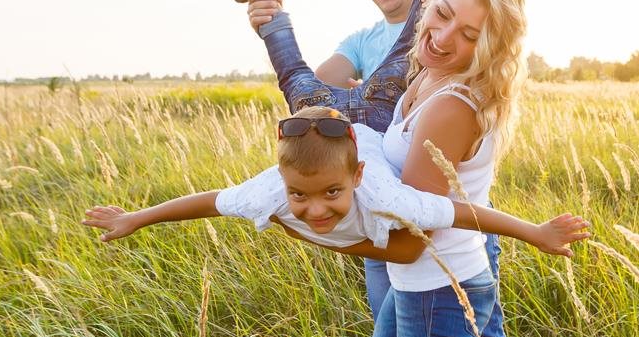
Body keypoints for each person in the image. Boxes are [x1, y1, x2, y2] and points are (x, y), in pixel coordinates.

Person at [244, 0, 529, 337]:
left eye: (469, 34)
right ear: (431, 2)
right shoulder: (425, 71)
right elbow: (316, 91)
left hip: (436, 279)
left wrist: (307, 228)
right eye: (441, 16)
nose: (443, 38)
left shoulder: (450, 101)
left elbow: (411, 242)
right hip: (422, 280)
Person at [82, 106, 587, 265]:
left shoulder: (381, 194)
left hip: (362, 141)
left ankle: (339, 111)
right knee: (308, 96)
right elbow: (209, 202)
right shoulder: (269, 191)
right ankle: (320, 106)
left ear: (355, 182)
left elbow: (460, 212)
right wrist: (135, 218)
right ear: (283, 182)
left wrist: (535, 232)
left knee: (352, 120)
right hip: (334, 145)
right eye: (299, 195)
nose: (316, 208)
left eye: (331, 193)